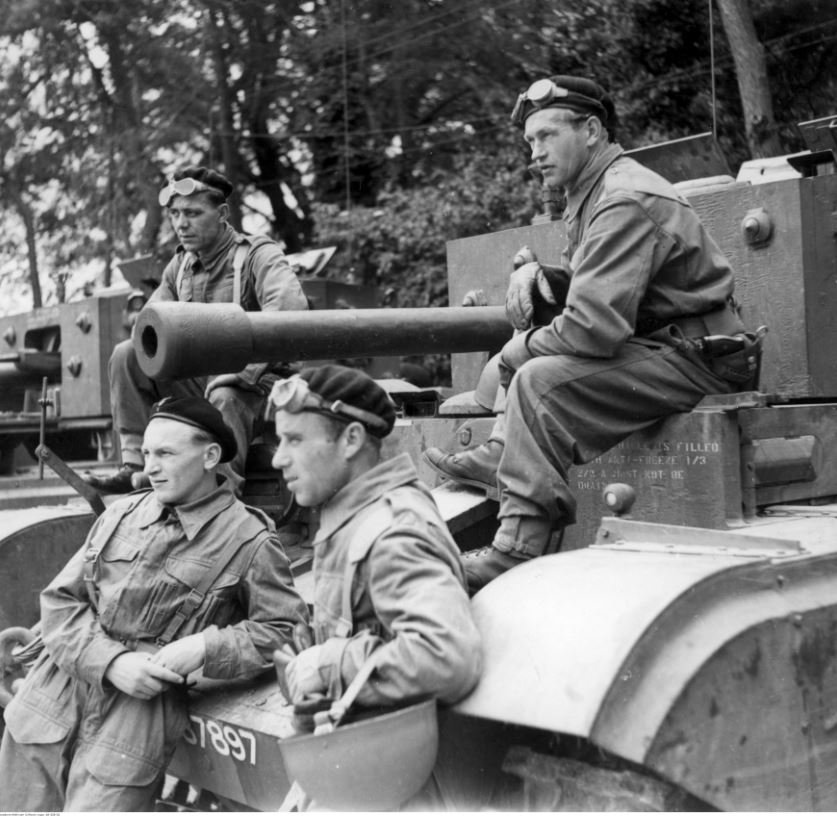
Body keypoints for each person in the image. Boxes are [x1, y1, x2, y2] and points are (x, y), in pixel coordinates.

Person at [424, 75, 758, 594]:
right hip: (665, 343)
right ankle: (501, 453)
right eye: (530, 141)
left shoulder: (623, 197)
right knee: (530, 359)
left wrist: (517, 352)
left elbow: (592, 329)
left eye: (547, 136)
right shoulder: (593, 190)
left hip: (700, 356)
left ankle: (515, 550)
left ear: (593, 131)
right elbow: (604, 286)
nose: (535, 153)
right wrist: (541, 277)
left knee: (537, 381)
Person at [0, 396, 308, 812]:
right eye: (146, 453)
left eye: (165, 453)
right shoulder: (122, 513)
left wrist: (203, 648)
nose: (149, 468)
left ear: (210, 456)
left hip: (134, 718)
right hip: (53, 694)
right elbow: (60, 600)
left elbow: (284, 629)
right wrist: (110, 662)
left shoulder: (248, 540)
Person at [86, 165, 309, 496]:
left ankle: (217, 498)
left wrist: (242, 372)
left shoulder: (257, 255)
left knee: (225, 395)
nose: (180, 224)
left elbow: (289, 313)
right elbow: (150, 329)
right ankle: (136, 466)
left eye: (192, 213)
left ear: (222, 214)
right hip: (203, 382)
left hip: (259, 387)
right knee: (127, 355)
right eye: (174, 214)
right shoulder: (180, 267)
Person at [269, 364, 481, 710]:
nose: (278, 458)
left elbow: (446, 658)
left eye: (294, 440)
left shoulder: (392, 531)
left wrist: (327, 665)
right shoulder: (354, 517)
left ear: (351, 439)